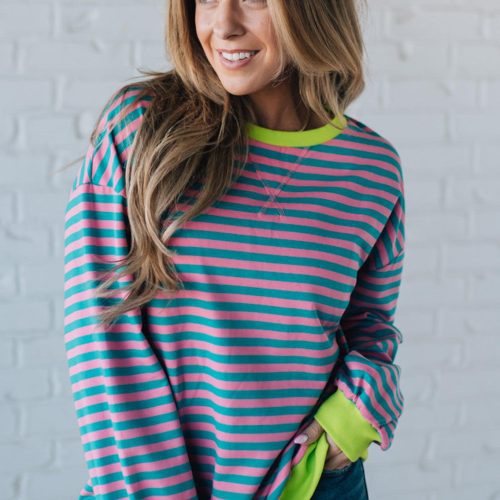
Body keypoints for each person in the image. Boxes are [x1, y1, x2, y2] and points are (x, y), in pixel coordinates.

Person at [62, 0, 405, 499]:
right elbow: (101, 331)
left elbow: (369, 325)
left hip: (308, 482)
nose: (223, 25)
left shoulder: (371, 168)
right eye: (205, 1)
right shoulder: (140, 129)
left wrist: (354, 415)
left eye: (253, 1)